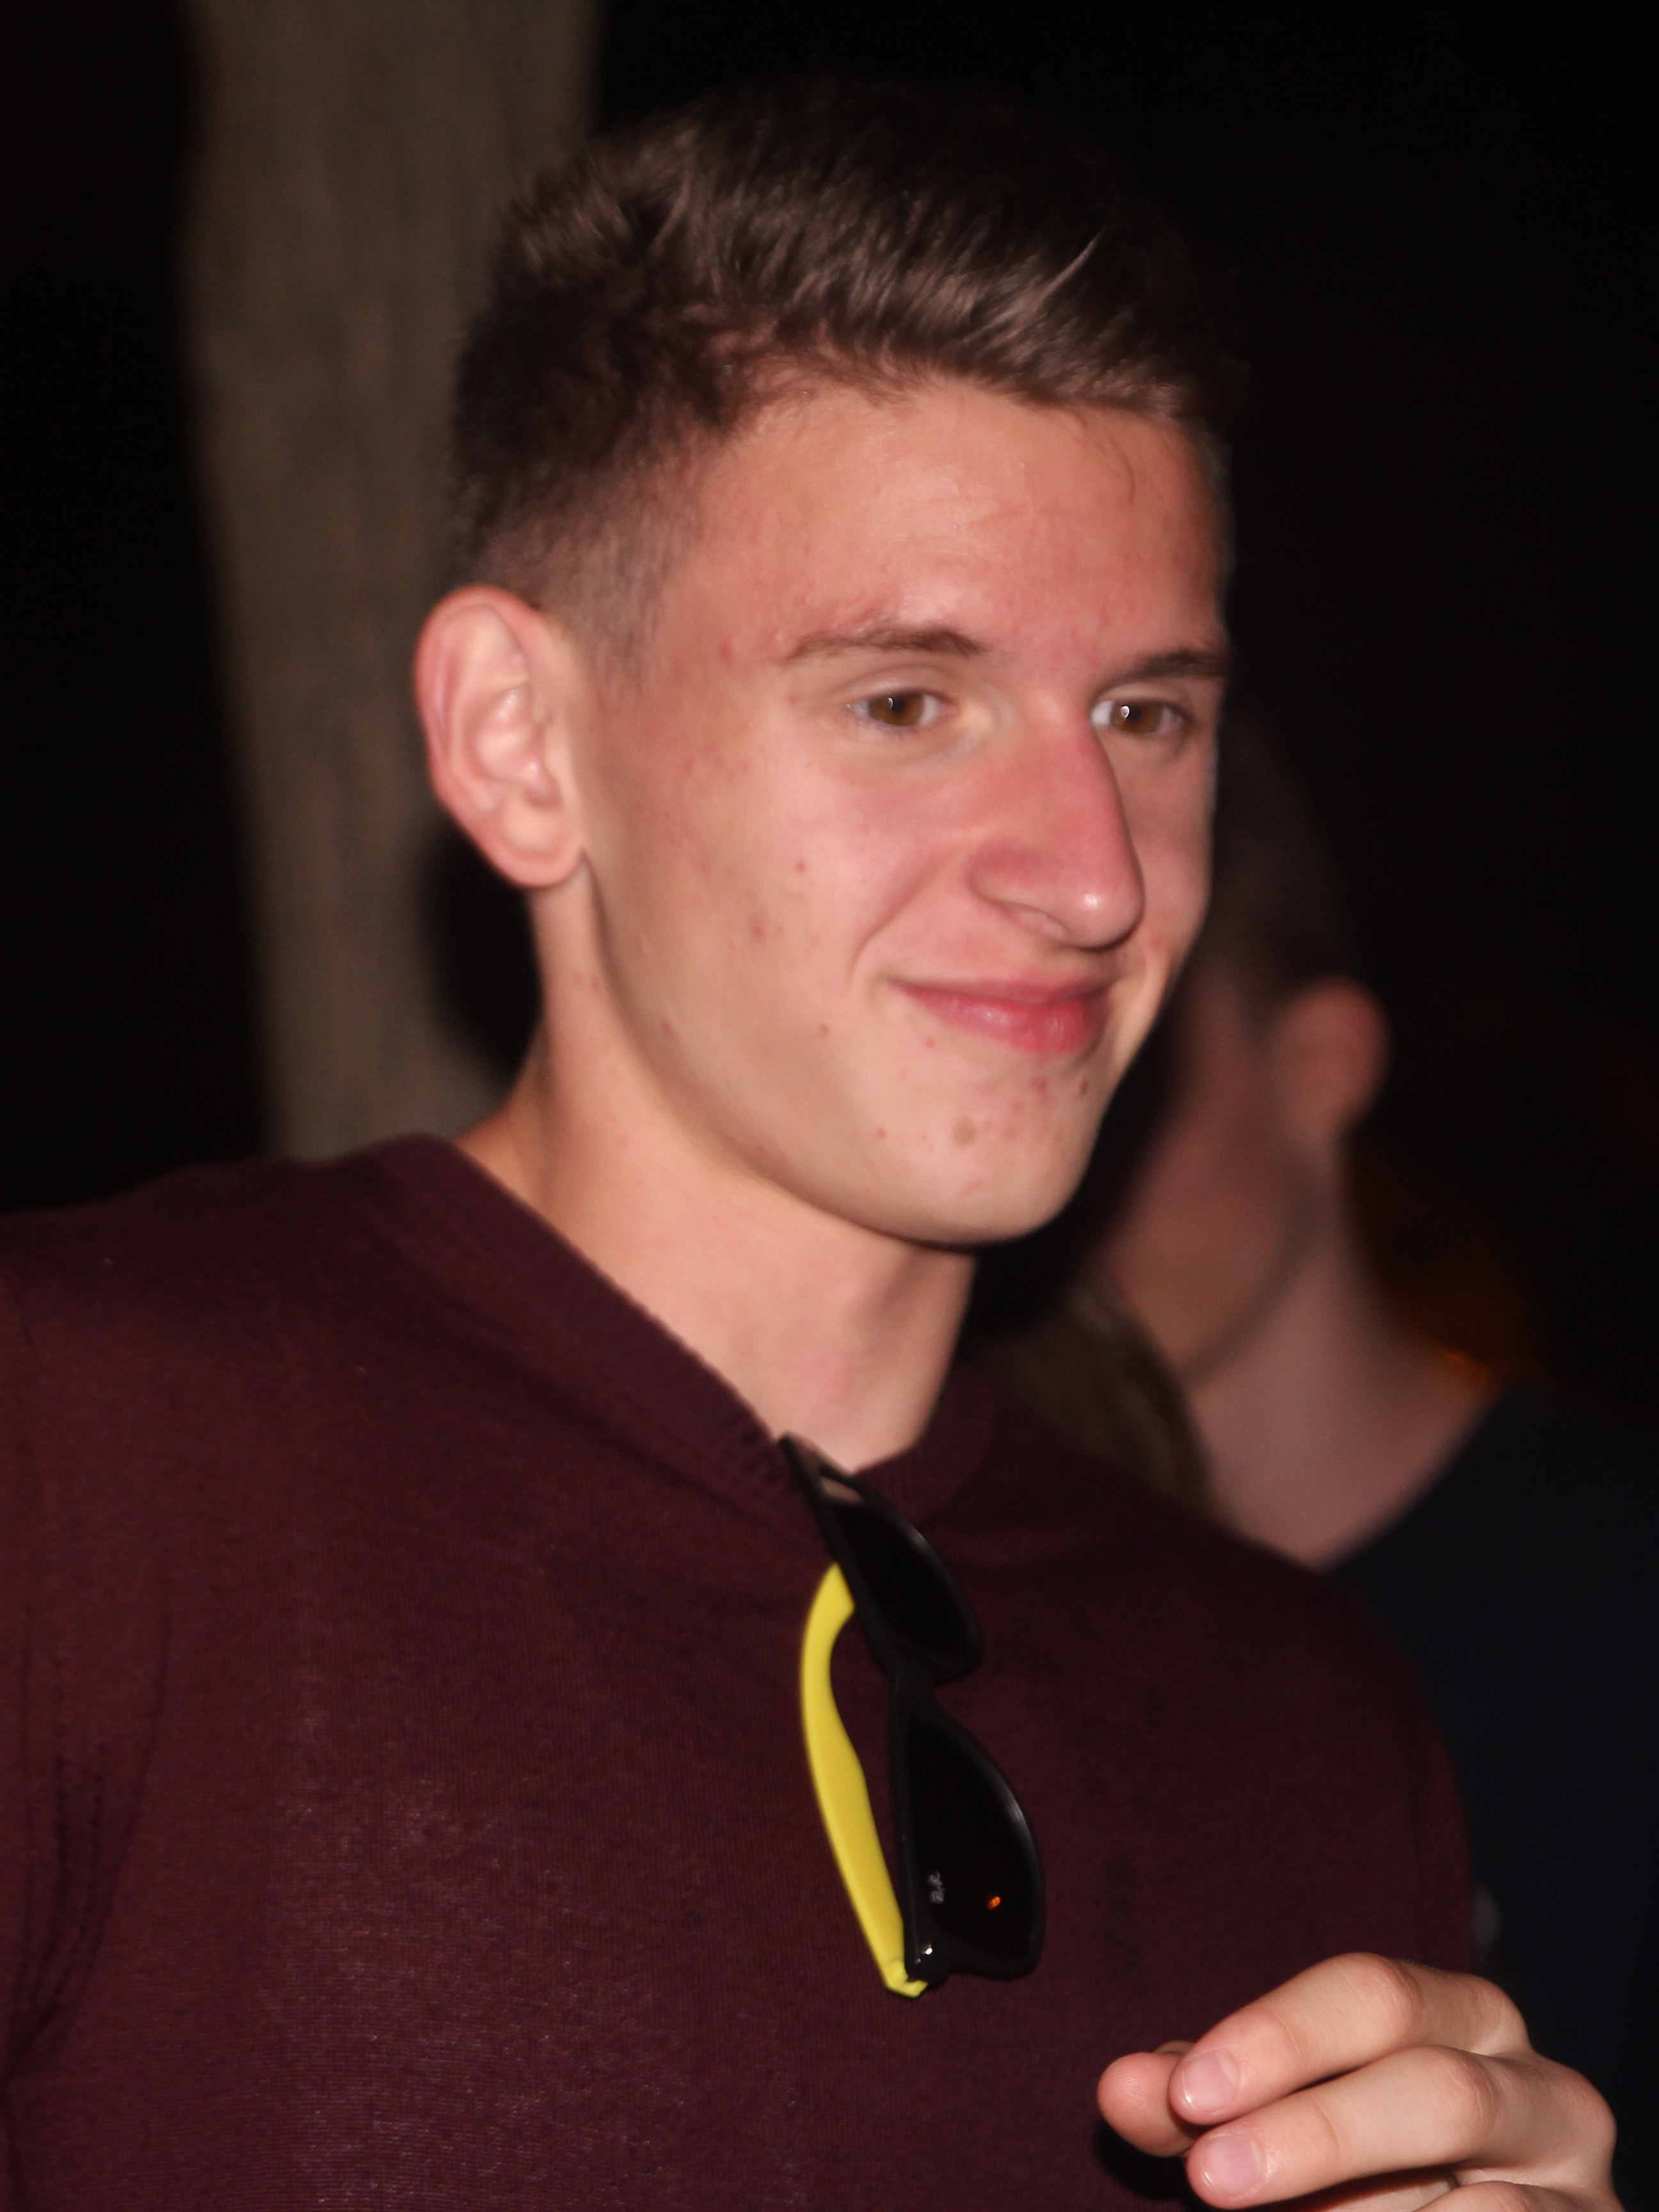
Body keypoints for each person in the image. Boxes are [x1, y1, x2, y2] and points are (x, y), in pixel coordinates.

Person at [0, 80, 1615, 2208]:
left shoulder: (1305, 1713)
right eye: (906, 702)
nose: (1095, 876)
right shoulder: (87, 1459)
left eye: (1147, 714)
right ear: (520, 743)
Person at [995, 716, 1653, 2201]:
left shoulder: (1621, 1593)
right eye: (1015, 1039)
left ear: (1323, 1063)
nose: (1060, 1146)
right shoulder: (969, 1618)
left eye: (1132, 1065)